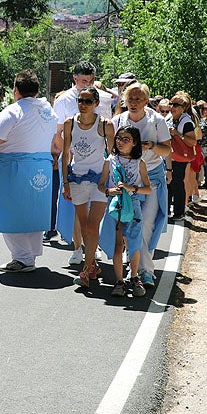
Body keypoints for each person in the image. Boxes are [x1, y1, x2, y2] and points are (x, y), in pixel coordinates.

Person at [0, 70, 57, 272]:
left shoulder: (14, 110)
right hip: (40, 167)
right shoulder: (48, 110)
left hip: (14, 167)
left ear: (16, 90)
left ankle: (22, 258)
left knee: (10, 212)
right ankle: (30, 254)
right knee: (34, 211)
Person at [103, 82, 171, 289]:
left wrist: (151, 146)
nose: (133, 103)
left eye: (138, 99)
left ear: (146, 101)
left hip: (151, 177)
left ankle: (145, 271)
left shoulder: (156, 120)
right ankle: (132, 262)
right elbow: (109, 150)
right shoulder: (117, 121)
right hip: (125, 181)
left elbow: (167, 150)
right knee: (124, 225)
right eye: (130, 99)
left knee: (146, 224)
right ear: (124, 100)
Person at [53, 62, 112, 266]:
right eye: (84, 80)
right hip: (73, 161)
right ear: (75, 78)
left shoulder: (103, 98)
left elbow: (107, 131)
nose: (88, 83)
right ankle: (78, 248)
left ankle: (91, 248)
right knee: (78, 210)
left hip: (97, 161)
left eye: (91, 80)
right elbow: (59, 131)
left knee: (95, 210)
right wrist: (65, 158)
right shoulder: (63, 100)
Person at [61, 86, 115, 287]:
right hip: (76, 179)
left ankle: (86, 269)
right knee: (84, 226)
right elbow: (66, 154)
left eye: (88, 101)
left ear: (96, 104)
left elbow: (112, 155)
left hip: (99, 180)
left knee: (93, 225)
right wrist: (66, 181)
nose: (83, 105)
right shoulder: (70, 124)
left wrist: (106, 179)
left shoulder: (105, 125)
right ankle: (92, 266)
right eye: (80, 101)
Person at [98, 125, 152, 297]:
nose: (120, 142)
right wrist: (108, 191)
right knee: (117, 244)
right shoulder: (110, 161)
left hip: (133, 205)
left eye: (126, 139)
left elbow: (148, 189)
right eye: (119, 138)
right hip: (115, 206)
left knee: (134, 243)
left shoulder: (139, 163)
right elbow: (101, 184)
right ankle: (119, 281)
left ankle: (134, 276)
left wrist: (132, 188)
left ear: (135, 143)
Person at [167, 91, 197, 221]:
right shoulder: (170, 118)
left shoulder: (186, 122)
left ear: (183, 108)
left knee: (177, 183)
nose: (172, 107)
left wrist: (177, 134)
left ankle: (179, 213)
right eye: (171, 104)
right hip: (169, 156)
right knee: (168, 183)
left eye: (176, 105)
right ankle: (166, 211)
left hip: (179, 157)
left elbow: (192, 141)